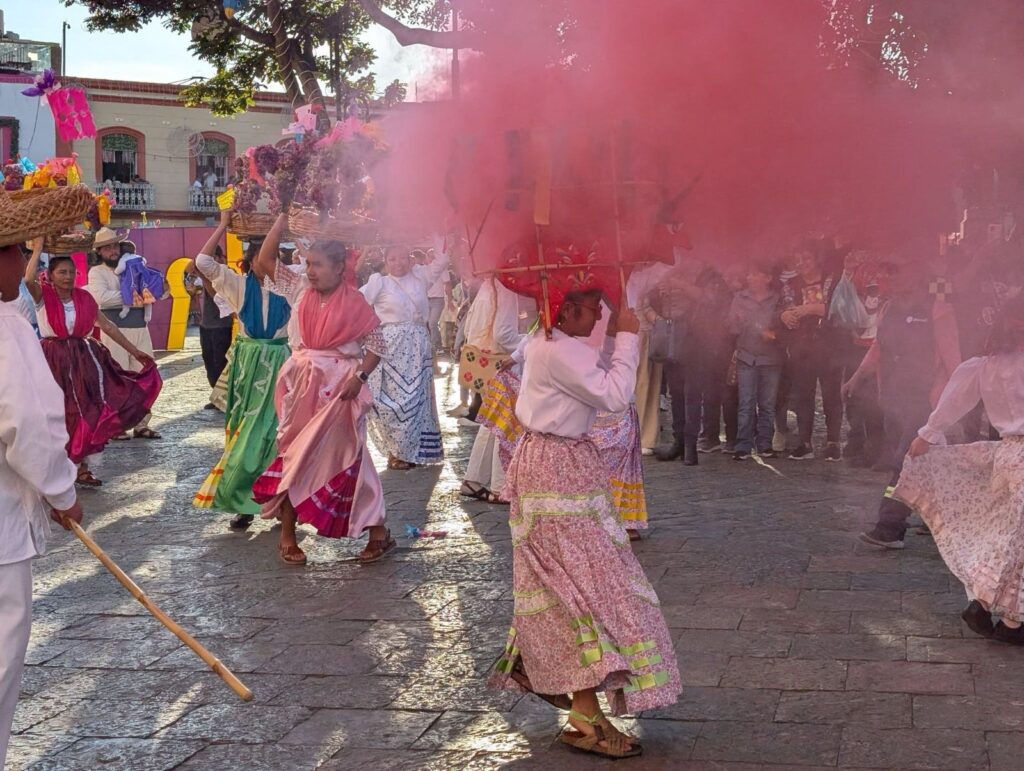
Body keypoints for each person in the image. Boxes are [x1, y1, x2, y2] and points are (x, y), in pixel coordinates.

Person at [489, 288, 680, 759]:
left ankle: (544, 673)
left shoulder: (544, 342)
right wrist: (627, 338)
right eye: (592, 306)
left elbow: (517, 354)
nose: (600, 314)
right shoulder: (560, 349)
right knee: (582, 583)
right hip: (557, 467)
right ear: (565, 309)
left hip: (558, 462)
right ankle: (581, 712)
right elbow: (615, 396)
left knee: (566, 579)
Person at [0, 188, 86, 767]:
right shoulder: (5, 326)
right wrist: (62, 492)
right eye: (16, 251)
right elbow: (27, 423)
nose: (22, 262)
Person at [252, 213, 393, 566]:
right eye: (308, 263)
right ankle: (287, 535)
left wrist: (358, 378)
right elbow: (264, 262)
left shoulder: (357, 301)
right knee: (294, 454)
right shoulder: (299, 289)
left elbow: (377, 346)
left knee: (349, 457)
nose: (310, 271)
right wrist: (280, 221)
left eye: (317, 265)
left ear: (338, 267)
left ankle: (377, 530)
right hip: (301, 385)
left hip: (340, 390)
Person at [893, 298, 1024, 643]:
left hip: (1008, 455)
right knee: (1014, 540)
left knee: (1008, 536)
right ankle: (990, 608)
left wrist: (927, 435)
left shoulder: (985, 366)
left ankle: (1010, 621)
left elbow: (953, 402)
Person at [23, 240, 162, 487]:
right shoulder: (43, 296)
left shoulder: (85, 298)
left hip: (83, 360)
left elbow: (107, 326)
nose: (68, 277)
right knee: (56, 412)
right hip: (52, 359)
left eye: (71, 272)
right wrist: (37, 249)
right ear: (51, 276)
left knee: (87, 410)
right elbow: (27, 280)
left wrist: (135, 351)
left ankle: (83, 468)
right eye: (61, 273)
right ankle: (58, 466)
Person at [849, 256, 961, 550]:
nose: (890, 280)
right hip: (894, 400)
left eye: (896, 273)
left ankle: (889, 527)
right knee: (929, 463)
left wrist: (954, 403)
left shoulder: (938, 310)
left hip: (926, 401)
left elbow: (953, 360)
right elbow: (878, 348)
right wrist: (856, 378)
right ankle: (943, 520)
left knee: (903, 461)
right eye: (887, 273)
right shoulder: (888, 309)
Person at [192, 212, 292, 530]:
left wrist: (291, 223)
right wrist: (222, 224)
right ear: (250, 261)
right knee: (246, 433)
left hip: (282, 365)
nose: (267, 263)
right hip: (250, 368)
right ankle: (242, 500)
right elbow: (203, 262)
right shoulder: (237, 285)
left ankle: (282, 500)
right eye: (261, 257)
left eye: (272, 256)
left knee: (280, 435)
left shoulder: (292, 285)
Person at [360, 242, 449, 470]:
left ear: (410, 259)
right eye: (392, 259)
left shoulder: (421, 277)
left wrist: (438, 235)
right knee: (393, 400)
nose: (398, 264)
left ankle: (414, 451)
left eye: (402, 258)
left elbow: (442, 260)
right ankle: (396, 450)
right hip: (390, 348)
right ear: (385, 261)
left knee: (417, 399)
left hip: (418, 346)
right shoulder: (379, 282)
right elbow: (357, 303)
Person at [650, 255, 728, 465]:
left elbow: (712, 300)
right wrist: (661, 295)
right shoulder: (670, 272)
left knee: (692, 393)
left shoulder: (710, 274)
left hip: (698, 342)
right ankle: (679, 442)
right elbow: (653, 300)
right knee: (676, 394)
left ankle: (690, 446)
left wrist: (683, 286)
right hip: (674, 338)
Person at [86, 226, 162, 440]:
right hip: (113, 332)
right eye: (107, 247)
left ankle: (141, 424)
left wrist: (142, 290)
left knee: (144, 373)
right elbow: (102, 299)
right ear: (99, 252)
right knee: (118, 378)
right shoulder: (97, 272)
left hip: (140, 328)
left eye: (115, 246)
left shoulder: (134, 266)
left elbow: (155, 291)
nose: (113, 250)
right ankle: (117, 426)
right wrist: (134, 293)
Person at [459, 276, 526, 503]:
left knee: (492, 421)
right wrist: (533, 341)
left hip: (492, 361)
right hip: (504, 361)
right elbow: (504, 334)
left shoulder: (492, 284)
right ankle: (500, 486)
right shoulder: (507, 287)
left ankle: (474, 479)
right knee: (503, 422)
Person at [779, 241, 843, 461]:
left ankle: (833, 442)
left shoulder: (832, 280)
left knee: (831, 395)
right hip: (801, 346)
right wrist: (784, 316)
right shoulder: (790, 284)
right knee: (802, 395)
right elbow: (783, 307)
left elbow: (838, 308)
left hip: (829, 345)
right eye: (798, 259)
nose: (802, 263)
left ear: (816, 258)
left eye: (806, 258)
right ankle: (804, 442)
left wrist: (810, 309)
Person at [728, 261, 784, 460]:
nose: (750, 278)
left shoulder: (778, 299)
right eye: (749, 274)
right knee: (746, 402)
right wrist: (738, 320)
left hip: (771, 358)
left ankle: (765, 444)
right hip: (747, 356)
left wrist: (774, 333)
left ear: (768, 278)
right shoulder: (739, 298)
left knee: (768, 404)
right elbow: (731, 328)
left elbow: (783, 326)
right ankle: (743, 444)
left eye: (755, 274)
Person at [186, 244, 235, 399]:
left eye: (212, 258)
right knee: (209, 361)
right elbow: (190, 281)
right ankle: (216, 395)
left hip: (221, 324)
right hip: (206, 324)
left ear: (220, 258)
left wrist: (204, 277)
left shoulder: (227, 273)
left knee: (221, 361)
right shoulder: (205, 276)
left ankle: (224, 396)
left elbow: (218, 297)